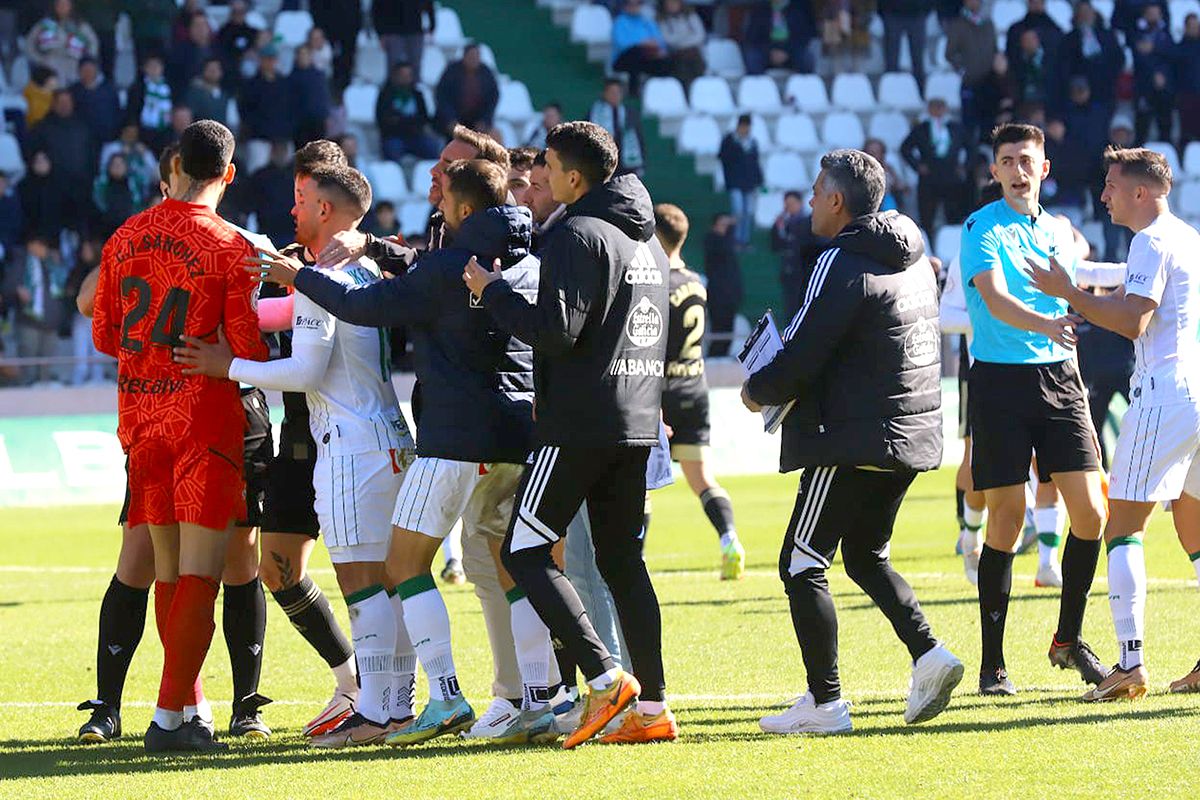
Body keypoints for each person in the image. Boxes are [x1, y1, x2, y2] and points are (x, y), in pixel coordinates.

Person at [251, 158, 553, 746]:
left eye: (443, 202)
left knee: (402, 566)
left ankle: (442, 695)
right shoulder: (532, 261)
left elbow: (368, 308)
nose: (436, 210)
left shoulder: (448, 267)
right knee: (514, 566)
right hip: (521, 436)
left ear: (466, 209)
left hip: (453, 438)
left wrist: (300, 277)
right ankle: (540, 697)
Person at [177, 164, 419, 747]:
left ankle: (379, 708)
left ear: (327, 211)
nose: (294, 210)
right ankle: (393, 704)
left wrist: (226, 365)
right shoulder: (364, 271)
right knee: (392, 581)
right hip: (387, 434)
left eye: (302, 200)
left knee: (362, 584)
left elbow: (305, 369)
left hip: (350, 445)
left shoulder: (321, 279)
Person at [463, 121, 677, 747]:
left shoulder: (578, 234)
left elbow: (557, 331)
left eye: (549, 169)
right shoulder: (647, 243)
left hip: (580, 423)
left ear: (575, 177)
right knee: (622, 563)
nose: (540, 180)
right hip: (634, 422)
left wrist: (494, 291)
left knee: (523, 550)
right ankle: (653, 704)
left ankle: (606, 679)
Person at [741, 148, 962, 734]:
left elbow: (806, 349)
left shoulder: (838, 259)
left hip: (855, 436)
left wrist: (759, 389)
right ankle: (930, 655)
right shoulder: (914, 254)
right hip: (912, 429)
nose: (811, 200)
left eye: (817, 191)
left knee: (800, 561)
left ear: (836, 201)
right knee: (865, 555)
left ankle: (826, 702)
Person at [91, 120, 269, 753]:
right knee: (199, 572)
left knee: (167, 568)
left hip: (140, 420)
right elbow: (243, 347)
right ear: (227, 174)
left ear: (173, 168)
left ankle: (186, 711)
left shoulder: (125, 235)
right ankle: (169, 719)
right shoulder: (229, 247)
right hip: (202, 421)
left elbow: (104, 335)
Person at [1026, 146, 1200, 700]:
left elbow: (1133, 319)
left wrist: (1070, 293)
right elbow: (1130, 290)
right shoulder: (1184, 235)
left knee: (1122, 528)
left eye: (1111, 186)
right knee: (1195, 532)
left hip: (1163, 397)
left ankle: (1129, 665)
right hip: (1196, 392)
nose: (1103, 195)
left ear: (1140, 193)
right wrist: (1076, 291)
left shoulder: (1149, 240)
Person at [958, 123, 1108, 696]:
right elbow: (993, 298)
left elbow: (1079, 273)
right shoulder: (980, 226)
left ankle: (1067, 640)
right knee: (1006, 518)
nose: (1018, 169)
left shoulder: (1062, 231)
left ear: (1044, 169)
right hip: (999, 382)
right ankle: (992, 664)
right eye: (1006, 160)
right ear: (994, 171)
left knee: (1091, 513)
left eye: (1027, 159)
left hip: (1062, 379)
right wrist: (1049, 321)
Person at [654, 203, 746, 579]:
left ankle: (633, 561)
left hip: (659, 393)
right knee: (703, 479)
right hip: (695, 387)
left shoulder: (655, 283)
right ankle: (730, 540)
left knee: (637, 485)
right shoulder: (696, 282)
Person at [900, 98, 971, 235]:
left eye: (940, 107)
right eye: (934, 107)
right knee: (927, 217)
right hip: (929, 176)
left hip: (951, 175)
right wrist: (917, 166)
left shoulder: (956, 128)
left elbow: (971, 147)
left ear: (945, 109)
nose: (938, 111)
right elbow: (905, 148)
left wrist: (965, 166)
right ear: (929, 109)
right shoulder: (921, 128)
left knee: (953, 215)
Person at [13, 236, 71, 386]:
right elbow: (10, 284)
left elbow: (65, 285)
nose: (42, 250)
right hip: (29, 323)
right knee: (29, 366)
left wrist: (57, 264)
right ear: (31, 245)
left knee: (46, 367)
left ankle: (44, 401)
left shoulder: (53, 263)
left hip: (51, 323)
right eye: (39, 246)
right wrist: (17, 290)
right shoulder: (21, 261)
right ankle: (26, 400)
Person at [1058, 1, 1123, 116]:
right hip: (1080, 94)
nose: (1086, 15)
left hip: (1105, 92)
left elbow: (1118, 59)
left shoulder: (1108, 35)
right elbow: (1065, 66)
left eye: (1088, 12)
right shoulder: (1069, 39)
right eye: (1082, 13)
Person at [944, 0, 996, 143]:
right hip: (969, 82)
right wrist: (963, 68)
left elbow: (994, 48)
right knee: (969, 125)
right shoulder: (958, 24)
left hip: (989, 83)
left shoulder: (988, 24)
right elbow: (949, 53)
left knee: (989, 124)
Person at [376, 61, 441, 161]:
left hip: (416, 136)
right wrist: (409, 121)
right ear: (395, 76)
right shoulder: (385, 95)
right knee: (393, 148)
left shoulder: (417, 94)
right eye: (402, 75)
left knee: (433, 146)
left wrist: (400, 120)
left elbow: (424, 118)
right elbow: (384, 120)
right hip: (393, 137)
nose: (406, 78)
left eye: (408, 75)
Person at [1130, 2, 1175, 144]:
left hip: (1165, 90)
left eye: (1156, 13)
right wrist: (1153, 74)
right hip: (1144, 88)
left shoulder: (1166, 34)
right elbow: (1139, 58)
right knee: (1142, 130)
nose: (1153, 16)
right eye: (1150, 13)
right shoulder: (1137, 34)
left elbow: (1173, 56)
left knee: (1165, 129)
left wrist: (1154, 48)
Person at [24, 0, 99, 85]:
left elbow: (93, 43)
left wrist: (86, 61)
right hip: (51, 63)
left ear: (71, 6)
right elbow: (29, 43)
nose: (62, 8)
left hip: (74, 63)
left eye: (66, 5)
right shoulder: (45, 24)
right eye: (59, 5)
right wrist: (40, 60)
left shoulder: (80, 25)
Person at [434, 43, 500, 136]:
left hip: (476, 121)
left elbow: (492, 98)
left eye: (477, 56)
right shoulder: (451, 72)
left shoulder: (486, 73)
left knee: (495, 135)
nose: (474, 59)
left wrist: (484, 121)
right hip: (452, 119)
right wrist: (450, 120)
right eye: (471, 56)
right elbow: (442, 97)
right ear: (464, 56)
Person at [719, 115, 764, 248]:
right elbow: (724, 159)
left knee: (748, 212)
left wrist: (759, 180)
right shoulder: (729, 140)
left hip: (749, 183)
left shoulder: (752, 142)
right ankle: (736, 239)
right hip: (735, 182)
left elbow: (755, 162)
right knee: (738, 211)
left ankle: (744, 240)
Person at [610, 0, 672, 94]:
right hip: (624, 58)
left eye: (637, 4)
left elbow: (659, 40)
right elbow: (621, 43)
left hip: (646, 56)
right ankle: (633, 91)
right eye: (631, 4)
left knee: (664, 58)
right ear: (625, 6)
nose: (634, 7)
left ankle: (661, 92)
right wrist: (642, 43)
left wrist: (658, 48)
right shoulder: (620, 22)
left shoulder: (647, 21)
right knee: (636, 53)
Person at [703, 213, 743, 354]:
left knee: (728, 330)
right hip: (718, 294)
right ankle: (715, 356)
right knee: (718, 329)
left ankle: (722, 354)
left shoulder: (728, 243)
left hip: (730, 294)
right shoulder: (712, 240)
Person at [589, 80, 645, 177]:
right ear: (605, 94)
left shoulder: (629, 113)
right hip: (604, 162)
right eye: (611, 92)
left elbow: (638, 137)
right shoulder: (595, 113)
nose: (615, 95)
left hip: (625, 161)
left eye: (618, 92)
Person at [238, 46, 293, 144]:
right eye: (267, 59)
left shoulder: (285, 83)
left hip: (282, 138)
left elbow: (290, 110)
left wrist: (284, 135)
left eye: (272, 59)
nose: (270, 62)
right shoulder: (251, 84)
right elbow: (246, 111)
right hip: (258, 138)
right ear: (260, 60)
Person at [373, 0, 435, 78]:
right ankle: (392, 89)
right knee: (394, 65)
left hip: (415, 29)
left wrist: (432, 27)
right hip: (392, 30)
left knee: (415, 65)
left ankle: (414, 88)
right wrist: (380, 33)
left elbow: (429, 4)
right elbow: (377, 8)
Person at [879, 0, 931, 92]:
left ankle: (920, 93)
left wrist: (926, 8)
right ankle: (890, 92)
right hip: (891, 12)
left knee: (918, 59)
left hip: (917, 12)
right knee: (891, 59)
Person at [91, 152, 146, 240]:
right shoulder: (102, 185)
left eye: (120, 164)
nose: (117, 167)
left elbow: (138, 206)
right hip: (105, 229)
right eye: (114, 164)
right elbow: (98, 206)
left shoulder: (133, 185)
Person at [126, 54, 174, 153]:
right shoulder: (138, 87)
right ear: (145, 69)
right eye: (151, 66)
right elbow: (132, 110)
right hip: (144, 131)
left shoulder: (170, 86)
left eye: (157, 66)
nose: (154, 69)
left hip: (165, 131)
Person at [289, 45, 333, 148]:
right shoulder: (291, 78)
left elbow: (324, 97)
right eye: (300, 54)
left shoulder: (319, 76)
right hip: (299, 123)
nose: (303, 57)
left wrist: (326, 115)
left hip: (318, 122)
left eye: (306, 54)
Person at [70, 57, 121, 146]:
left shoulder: (109, 90)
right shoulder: (73, 91)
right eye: (84, 70)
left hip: (107, 139)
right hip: (82, 141)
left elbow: (116, 112)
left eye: (91, 69)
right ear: (79, 72)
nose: (88, 73)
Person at [657, 0, 706, 87]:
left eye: (674, 2)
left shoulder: (692, 16)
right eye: (669, 3)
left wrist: (681, 39)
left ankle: (697, 86)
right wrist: (687, 36)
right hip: (675, 54)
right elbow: (667, 40)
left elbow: (700, 36)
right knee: (684, 57)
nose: (672, 5)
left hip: (693, 51)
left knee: (692, 54)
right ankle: (686, 88)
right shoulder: (662, 20)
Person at [183, 58, 229, 126]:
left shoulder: (226, 95)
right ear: (203, 71)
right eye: (210, 69)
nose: (213, 72)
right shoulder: (194, 94)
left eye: (216, 69)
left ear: (221, 72)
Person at [1178, 14, 1200, 148]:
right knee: (1187, 134)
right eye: (1191, 26)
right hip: (1187, 97)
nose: (1194, 29)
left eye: (1196, 26)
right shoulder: (1179, 49)